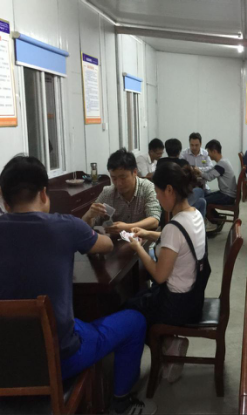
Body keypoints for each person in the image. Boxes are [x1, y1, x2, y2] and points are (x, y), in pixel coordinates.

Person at [0, 156, 156, 415]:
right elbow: (106, 245)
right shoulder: (65, 226)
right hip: (60, 358)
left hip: (5, 363)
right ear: (44, 194)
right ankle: (121, 402)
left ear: (4, 200)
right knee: (135, 320)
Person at [126, 162, 210, 382]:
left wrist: (137, 248)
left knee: (130, 308)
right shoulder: (194, 214)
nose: (157, 197)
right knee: (139, 298)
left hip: (175, 307)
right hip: (193, 298)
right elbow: (178, 239)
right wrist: (147, 233)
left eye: (157, 192)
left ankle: (168, 344)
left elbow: (159, 275)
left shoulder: (174, 226)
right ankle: (169, 343)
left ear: (169, 190)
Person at [82, 148, 161, 234]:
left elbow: (154, 220)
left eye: (123, 177)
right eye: (114, 178)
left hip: (143, 240)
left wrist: (126, 227)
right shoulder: (107, 193)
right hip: (116, 241)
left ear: (135, 172)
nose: (118, 183)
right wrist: (89, 215)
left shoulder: (147, 187)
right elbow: (89, 225)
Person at [160, 138, 210, 227]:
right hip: (179, 198)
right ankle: (194, 222)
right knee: (200, 191)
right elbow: (189, 181)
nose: (194, 147)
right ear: (179, 151)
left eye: (196, 145)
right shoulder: (183, 163)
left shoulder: (160, 162)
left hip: (165, 197)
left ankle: (194, 223)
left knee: (202, 202)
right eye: (192, 145)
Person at [199, 140, 237, 231]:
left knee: (203, 201)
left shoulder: (221, 164)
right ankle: (218, 219)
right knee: (205, 196)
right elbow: (211, 170)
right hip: (227, 194)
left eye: (209, 152)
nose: (208, 154)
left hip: (227, 196)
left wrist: (198, 172)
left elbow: (209, 177)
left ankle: (213, 224)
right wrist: (200, 171)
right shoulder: (224, 161)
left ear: (214, 151)